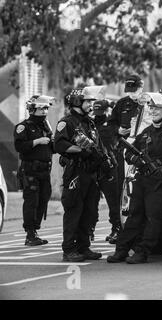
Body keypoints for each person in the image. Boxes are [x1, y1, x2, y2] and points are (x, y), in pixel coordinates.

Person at [107, 92, 162, 264]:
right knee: (134, 215)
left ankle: (142, 252)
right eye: (151, 107)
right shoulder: (146, 132)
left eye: (157, 108)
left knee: (153, 218)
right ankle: (121, 250)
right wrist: (138, 162)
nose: (153, 111)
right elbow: (128, 152)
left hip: (161, 184)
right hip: (143, 180)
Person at [54, 86, 105, 262]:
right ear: (77, 102)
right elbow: (59, 145)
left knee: (89, 211)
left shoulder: (89, 122)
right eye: (88, 101)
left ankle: (84, 247)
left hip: (91, 172)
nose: (91, 104)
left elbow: (97, 144)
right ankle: (69, 250)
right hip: (75, 171)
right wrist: (80, 151)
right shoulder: (66, 122)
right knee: (74, 210)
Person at [14, 95, 55, 246]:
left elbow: (53, 148)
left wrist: (53, 142)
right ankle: (30, 233)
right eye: (41, 108)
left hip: (45, 170)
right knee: (32, 201)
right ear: (32, 109)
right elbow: (19, 147)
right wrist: (37, 141)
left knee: (44, 199)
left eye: (46, 108)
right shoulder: (23, 127)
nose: (45, 111)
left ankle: (35, 231)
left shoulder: (46, 126)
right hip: (30, 170)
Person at [108, 75, 144, 195]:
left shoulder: (148, 103)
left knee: (137, 184)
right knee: (121, 185)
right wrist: (118, 130)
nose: (132, 94)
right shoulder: (122, 103)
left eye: (134, 91)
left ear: (141, 88)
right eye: (129, 91)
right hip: (123, 149)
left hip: (141, 150)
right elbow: (111, 123)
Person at [91, 99, 121, 244]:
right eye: (96, 112)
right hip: (93, 166)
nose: (98, 115)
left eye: (101, 112)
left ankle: (116, 229)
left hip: (110, 166)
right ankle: (89, 230)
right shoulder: (89, 123)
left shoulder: (114, 123)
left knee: (113, 201)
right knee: (90, 201)